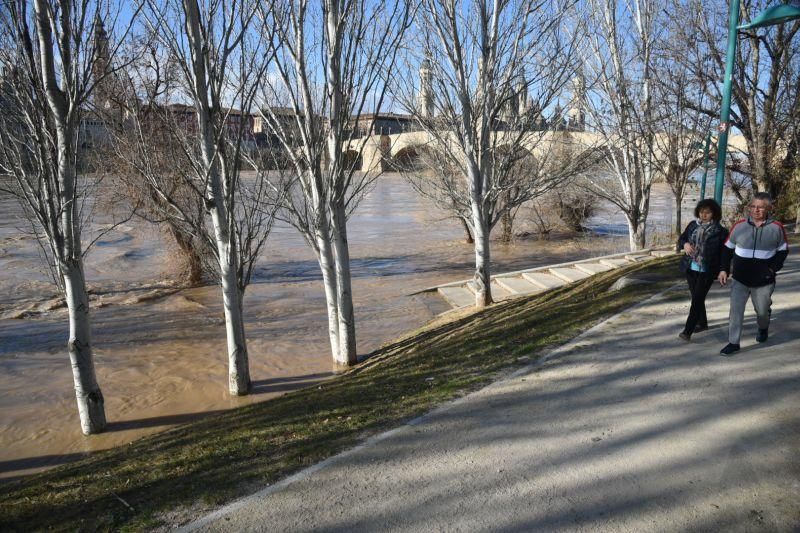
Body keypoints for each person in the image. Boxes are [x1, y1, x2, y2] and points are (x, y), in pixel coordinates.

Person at [718, 192, 789, 355]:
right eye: (753, 206)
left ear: (769, 208)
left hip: (764, 281)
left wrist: (771, 270)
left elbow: (782, 252)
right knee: (736, 311)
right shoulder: (739, 226)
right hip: (740, 279)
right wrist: (724, 269)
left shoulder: (776, 228)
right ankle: (733, 342)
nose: (756, 210)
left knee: (762, 312)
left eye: (760, 207)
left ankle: (763, 327)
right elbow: (727, 249)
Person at [677, 199, 728, 341]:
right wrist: (685, 244)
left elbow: (725, 253)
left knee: (697, 299)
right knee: (697, 298)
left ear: (714, 214)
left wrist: (723, 270)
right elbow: (681, 239)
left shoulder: (721, 232)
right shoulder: (693, 225)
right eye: (701, 212)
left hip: (707, 270)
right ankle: (703, 323)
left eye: (708, 212)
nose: (704, 215)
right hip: (690, 267)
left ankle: (688, 331)